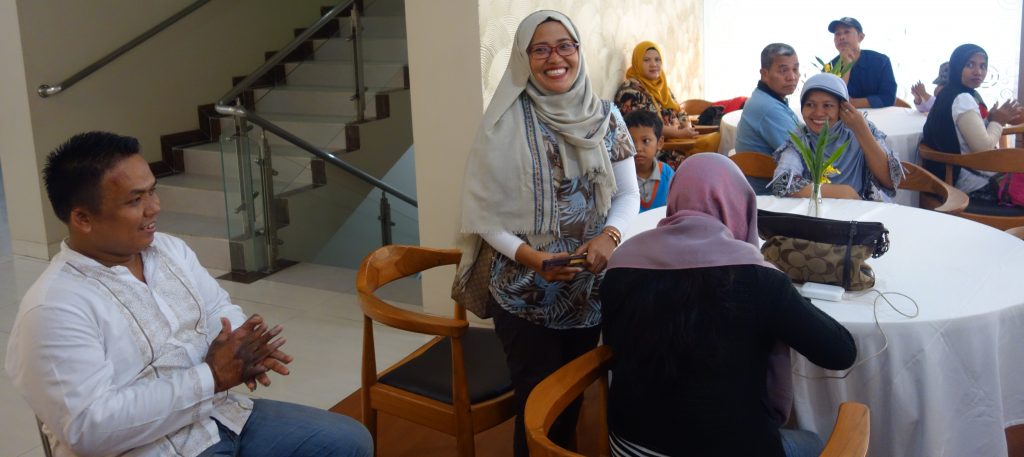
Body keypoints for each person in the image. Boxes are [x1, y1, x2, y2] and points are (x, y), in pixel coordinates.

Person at [5, 132, 373, 457]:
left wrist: (241, 346)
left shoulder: (169, 250)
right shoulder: (54, 308)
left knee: (348, 441)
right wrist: (212, 376)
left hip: (219, 415)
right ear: (83, 218)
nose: (154, 208)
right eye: (135, 200)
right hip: (145, 448)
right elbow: (90, 428)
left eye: (152, 191)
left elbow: (216, 308)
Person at [455, 10, 640, 457]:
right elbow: (484, 214)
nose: (555, 58)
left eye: (564, 46)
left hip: (587, 290)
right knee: (537, 409)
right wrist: (532, 258)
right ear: (523, 58)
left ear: (578, 50)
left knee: (571, 403)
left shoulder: (606, 116)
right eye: (540, 49)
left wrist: (609, 237)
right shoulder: (502, 122)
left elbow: (628, 193)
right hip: (523, 293)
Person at [601, 153, 857, 457]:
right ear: (740, 206)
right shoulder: (762, 280)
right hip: (733, 447)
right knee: (813, 442)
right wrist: (788, 297)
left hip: (629, 446)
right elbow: (841, 352)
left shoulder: (621, 263)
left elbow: (615, 344)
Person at [771, 73, 902, 201]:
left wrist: (862, 130)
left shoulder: (860, 130)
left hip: (862, 212)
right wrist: (843, 192)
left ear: (842, 108)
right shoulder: (801, 139)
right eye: (810, 104)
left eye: (828, 105)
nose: (818, 113)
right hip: (815, 213)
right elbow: (782, 184)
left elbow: (889, 181)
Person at [922, 44, 1024, 200]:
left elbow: (961, 133)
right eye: (970, 65)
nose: (978, 72)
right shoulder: (963, 99)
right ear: (957, 66)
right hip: (968, 184)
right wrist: (998, 122)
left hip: (942, 177)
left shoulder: (948, 92)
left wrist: (990, 119)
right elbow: (983, 149)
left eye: (983, 66)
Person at [614, 41, 699, 140]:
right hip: (655, 147)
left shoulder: (663, 87)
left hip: (677, 141)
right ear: (637, 63)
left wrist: (687, 126)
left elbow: (679, 111)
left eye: (657, 60)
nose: (653, 64)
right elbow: (646, 126)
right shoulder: (631, 91)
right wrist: (679, 134)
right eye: (646, 60)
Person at [735, 43, 802, 155]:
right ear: (764, 74)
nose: (792, 77)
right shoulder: (769, 108)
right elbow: (805, 154)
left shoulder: (763, 97)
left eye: (795, 69)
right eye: (783, 70)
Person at [828, 17, 896, 108]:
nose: (841, 37)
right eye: (837, 34)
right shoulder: (829, 68)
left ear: (861, 37)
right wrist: (847, 67)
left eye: (847, 32)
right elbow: (830, 102)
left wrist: (853, 103)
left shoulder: (881, 61)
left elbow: (889, 97)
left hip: (880, 115)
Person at [625, 110, 674, 212]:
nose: (638, 148)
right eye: (631, 141)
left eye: (645, 141)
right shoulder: (620, 178)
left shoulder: (668, 175)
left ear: (659, 143)